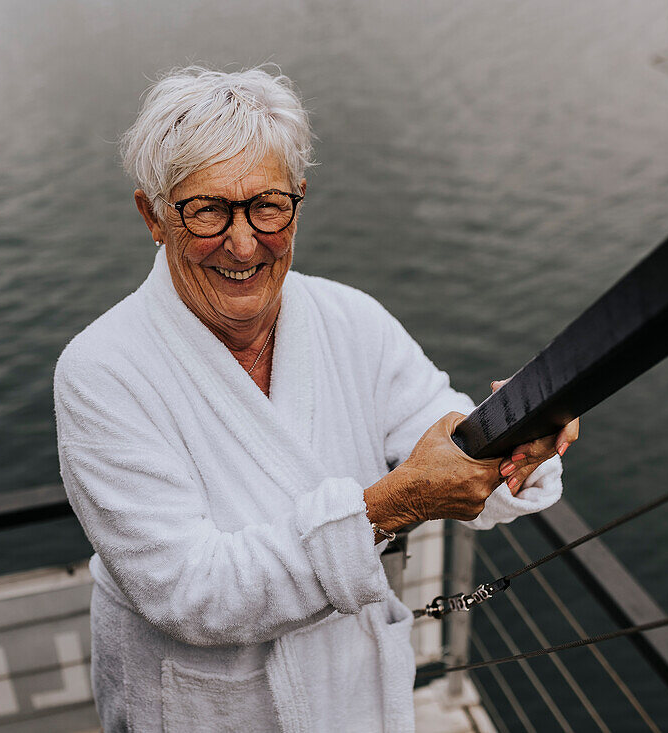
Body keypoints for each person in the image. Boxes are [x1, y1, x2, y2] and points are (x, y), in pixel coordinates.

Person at [53, 65, 579, 733]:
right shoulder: (102, 371)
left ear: (298, 198)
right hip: (206, 711)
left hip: (352, 698)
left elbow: (449, 442)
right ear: (153, 216)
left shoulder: (351, 321)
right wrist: (398, 502)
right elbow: (194, 591)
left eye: (266, 205)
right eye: (207, 209)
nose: (242, 243)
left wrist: (513, 438)